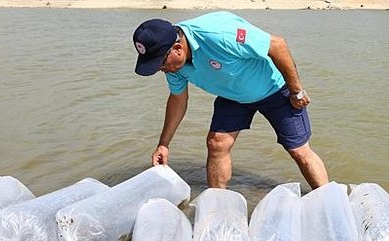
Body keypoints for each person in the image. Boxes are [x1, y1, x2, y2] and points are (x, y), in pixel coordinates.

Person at [132, 12, 329, 189]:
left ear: (177, 48)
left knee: (299, 151)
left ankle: (330, 204)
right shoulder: (173, 65)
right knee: (217, 144)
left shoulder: (221, 35)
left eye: (159, 63)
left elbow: (277, 45)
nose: (160, 69)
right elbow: (178, 99)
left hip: (274, 88)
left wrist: (296, 91)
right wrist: (164, 144)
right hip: (232, 95)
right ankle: (217, 208)